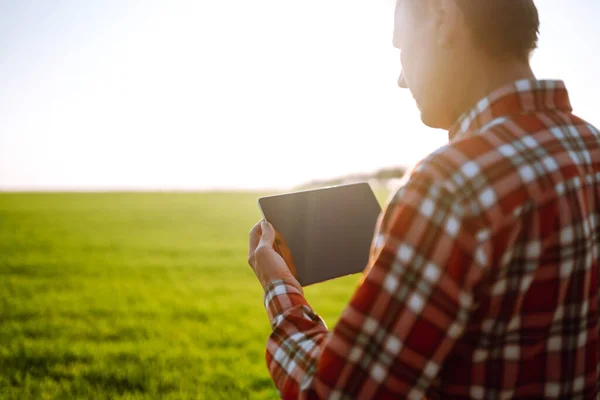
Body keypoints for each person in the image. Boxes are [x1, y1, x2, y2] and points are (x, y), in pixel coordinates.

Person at [248, 0, 599, 398]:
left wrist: (279, 289)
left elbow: (333, 393)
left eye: (402, 46)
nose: (401, 77)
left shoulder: (448, 188)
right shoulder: (590, 149)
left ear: (443, 18)